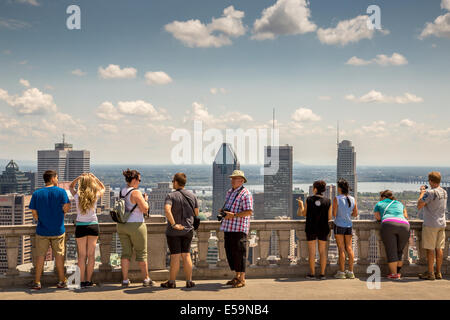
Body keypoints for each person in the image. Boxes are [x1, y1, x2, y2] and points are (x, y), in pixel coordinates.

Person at [29, 170, 71, 290]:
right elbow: (67, 208)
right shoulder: (62, 192)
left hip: (42, 230)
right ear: (52, 179)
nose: (57, 180)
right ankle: (62, 280)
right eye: (57, 178)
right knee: (59, 256)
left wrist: (42, 219)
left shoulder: (37, 193)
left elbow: (34, 213)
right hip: (58, 230)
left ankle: (37, 282)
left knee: (40, 256)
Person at [161, 173, 199, 289]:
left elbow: (167, 210)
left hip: (174, 232)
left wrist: (174, 224)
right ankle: (189, 281)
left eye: (173, 181)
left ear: (176, 182)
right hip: (188, 230)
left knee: (175, 256)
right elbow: (196, 213)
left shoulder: (171, 196)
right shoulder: (192, 195)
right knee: (186, 255)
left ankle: (172, 282)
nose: (173, 183)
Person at [69, 173, 105, 288]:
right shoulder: (95, 195)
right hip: (93, 226)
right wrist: (95, 178)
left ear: (81, 184)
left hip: (81, 226)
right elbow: (103, 188)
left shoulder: (77, 196)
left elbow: (70, 186)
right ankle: (89, 281)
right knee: (91, 256)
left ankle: (82, 281)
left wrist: (79, 177)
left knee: (81, 256)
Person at [118, 169, 152, 287]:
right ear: (133, 180)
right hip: (136, 225)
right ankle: (146, 278)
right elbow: (145, 209)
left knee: (126, 253)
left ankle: (125, 280)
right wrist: (146, 200)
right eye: (139, 180)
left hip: (122, 225)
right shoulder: (136, 192)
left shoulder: (122, 191)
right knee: (142, 253)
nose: (139, 182)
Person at [220, 170, 253, 288]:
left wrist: (233, 215)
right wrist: (224, 212)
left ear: (242, 181)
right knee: (230, 253)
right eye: (232, 178)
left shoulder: (246, 194)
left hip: (239, 228)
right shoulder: (230, 192)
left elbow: (249, 211)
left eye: (235, 178)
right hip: (228, 227)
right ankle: (237, 276)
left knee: (240, 253)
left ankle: (242, 279)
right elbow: (230, 207)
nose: (232, 181)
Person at [297, 180, 332, 280]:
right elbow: (329, 217)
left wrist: (301, 205)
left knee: (312, 252)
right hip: (323, 228)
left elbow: (304, 214)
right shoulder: (328, 201)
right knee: (322, 252)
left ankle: (312, 273)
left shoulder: (309, 199)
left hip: (311, 228)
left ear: (315, 189)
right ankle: (322, 274)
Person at [417, 171, 447, 280]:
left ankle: (430, 273)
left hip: (431, 224)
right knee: (439, 248)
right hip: (441, 223)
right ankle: (438, 272)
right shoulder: (444, 192)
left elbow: (419, 205)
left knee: (430, 249)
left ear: (430, 181)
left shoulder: (430, 193)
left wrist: (422, 192)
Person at [373, 190, 409, 280]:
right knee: (400, 250)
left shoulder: (379, 204)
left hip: (389, 224)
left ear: (383, 197)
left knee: (391, 250)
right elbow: (406, 216)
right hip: (404, 225)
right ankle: (398, 272)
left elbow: (377, 217)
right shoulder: (400, 204)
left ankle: (394, 274)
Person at [332, 179, 358, 279]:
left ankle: (342, 272)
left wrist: (340, 214)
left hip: (339, 225)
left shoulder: (337, 199)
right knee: (349, 248)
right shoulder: (352, 199)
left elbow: (334, 214)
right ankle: (351, 272)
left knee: (341, 249)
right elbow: (355, 214)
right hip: (349, 226)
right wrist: (348, 214)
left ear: (340, 188)